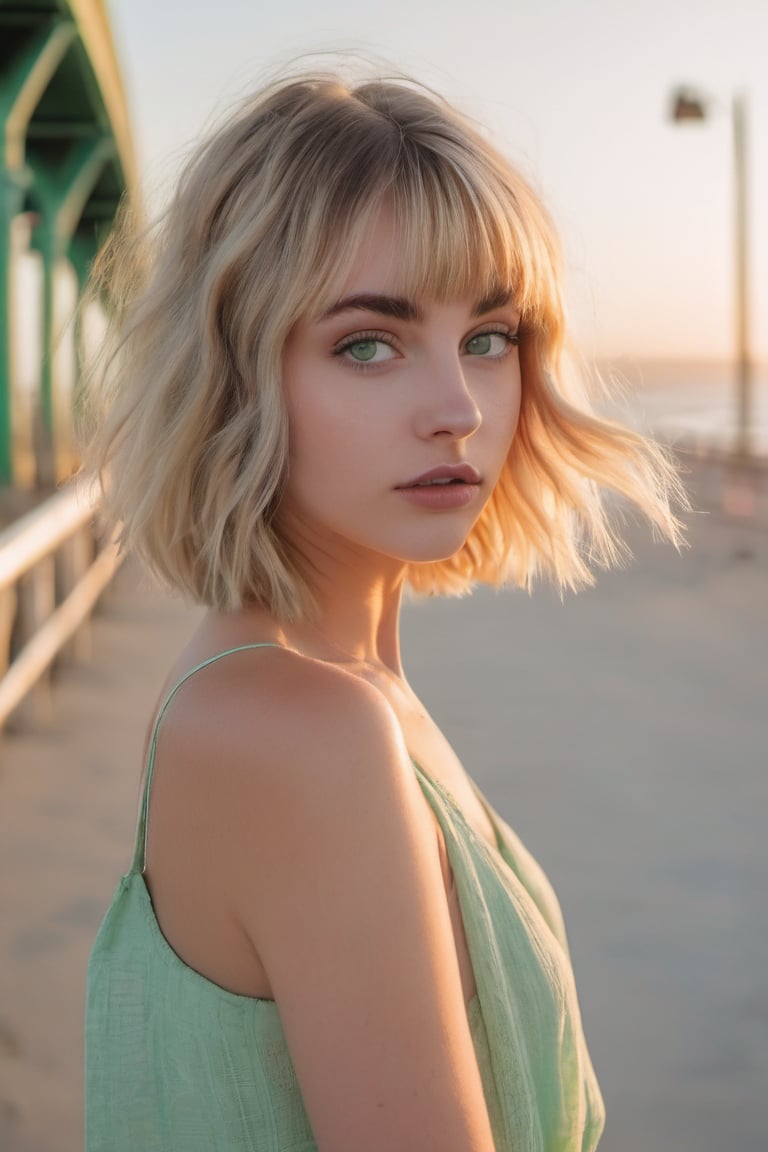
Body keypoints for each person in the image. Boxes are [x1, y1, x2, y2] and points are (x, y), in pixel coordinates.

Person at [82, 66, 684, 1152]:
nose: (457, 409)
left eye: (490, 337)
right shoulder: (302, 730)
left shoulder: (342, 689)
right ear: (237, 374)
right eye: (369, 343)